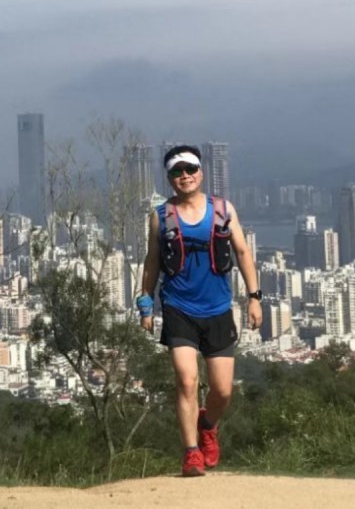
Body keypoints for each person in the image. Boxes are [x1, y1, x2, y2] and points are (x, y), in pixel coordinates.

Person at [136, 144, 262, 477]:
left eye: (190, 169)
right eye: (177, 172)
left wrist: (254, 297)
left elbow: (242, 253)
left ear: (201, 173)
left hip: (218, 308)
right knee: (186, 380)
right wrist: (145, 303)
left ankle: (207, 425)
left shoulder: (222, 210)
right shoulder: (161, 216)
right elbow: (152, 262)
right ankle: (191, 452)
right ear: (169, 179)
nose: (185, 176)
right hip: (178, 308)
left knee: (222, 390)